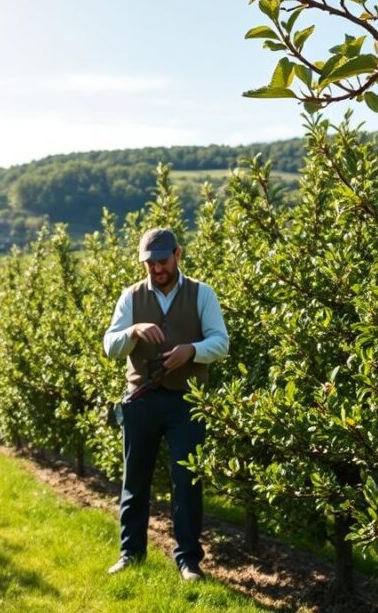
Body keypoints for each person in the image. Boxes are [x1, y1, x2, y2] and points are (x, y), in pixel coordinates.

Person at [102, 227, 229, 582]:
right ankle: (130, 553)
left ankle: (188, 560)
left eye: (161, 261)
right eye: (149, 263)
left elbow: (221, 342)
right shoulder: (131, 297)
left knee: (187, 480)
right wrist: (133, 332)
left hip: (187, 401)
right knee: (135, 479)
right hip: (141, 400)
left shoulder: (202, 294)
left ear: (178, 254)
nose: (156, 269)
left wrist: (193, 350)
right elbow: (109, 345)